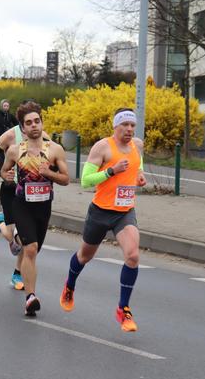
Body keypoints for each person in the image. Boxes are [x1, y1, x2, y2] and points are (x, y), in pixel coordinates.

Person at [59, 108, 147, 333]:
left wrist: (139, 175)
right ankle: (70, 285)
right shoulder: (102, 147)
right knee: (85, 256)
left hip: (124, 212)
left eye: (131, 125)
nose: (128, 129)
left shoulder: (137, 145)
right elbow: (86, 180)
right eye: (124, 125)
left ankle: (123, 308)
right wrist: (111, 171)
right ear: (115, 126)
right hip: (100, 211)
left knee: (133, 255)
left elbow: (137, 165)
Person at [1, 101, 69, 316]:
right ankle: (30, 297)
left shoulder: (55, 149)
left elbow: (66, 179)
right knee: (31, 250)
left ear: (41, 123)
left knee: (33, 248)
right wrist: (7, 176)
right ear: (22, 128)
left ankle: (15, 241)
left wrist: (49, 174)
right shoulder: (14, 151)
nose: (33, 126)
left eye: (37, 121)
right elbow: (4, 171)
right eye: (28, 123)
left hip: (43, 207)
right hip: (22, 205)